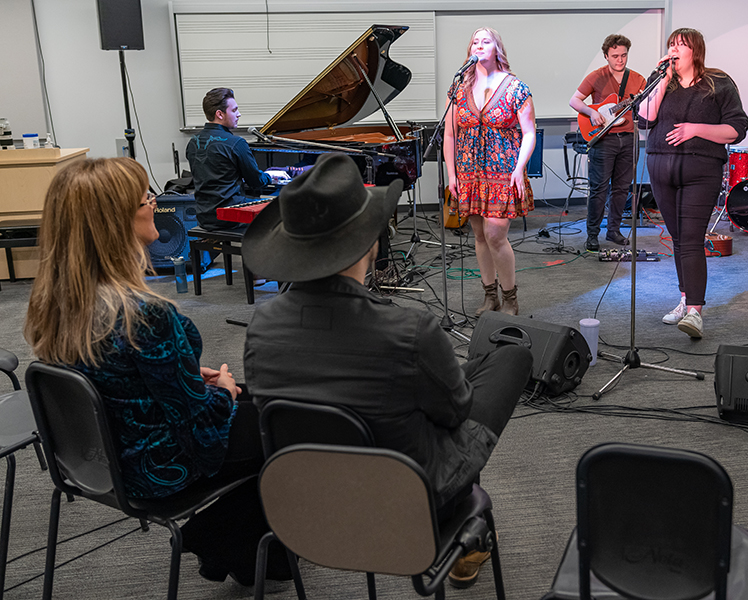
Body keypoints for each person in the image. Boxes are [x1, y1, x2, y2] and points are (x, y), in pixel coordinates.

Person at [241, 152, 534, 589]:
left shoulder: (260, 327)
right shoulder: (408, 329)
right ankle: (465, 537)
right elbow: (456, 414)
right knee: (509, 358)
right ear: (370, 243)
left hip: (304, 508)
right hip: (410, 504)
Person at [22, 157, 289, 585]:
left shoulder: (55, 303)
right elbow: (201, 431)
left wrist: (180, 371)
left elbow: (111, 376)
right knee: (286, 422)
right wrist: (222, 392)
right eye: (146, 197)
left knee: (260, 401)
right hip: (156, 467)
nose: (154, 203)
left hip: (101, 457)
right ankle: (219, 541)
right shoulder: (144, 315)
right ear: (116, 221)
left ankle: (239, 550)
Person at [638, 28, 748, 339]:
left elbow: (736, 129)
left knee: (690, 238)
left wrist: (695, 129)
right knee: (677, 238)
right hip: (661, 167)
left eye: (680, 45)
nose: (674, 50)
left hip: (700, 170)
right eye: (671, 44)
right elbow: (645, 119)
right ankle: (685, 300)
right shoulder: (661, 80)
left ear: (696, 52)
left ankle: (696, 312)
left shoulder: (718, 84)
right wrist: (661, 79)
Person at [444, 27, 536, 316]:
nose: (479, 46)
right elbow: (449, 135)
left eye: (486, 41)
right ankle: (490, 295)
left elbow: (530, 132)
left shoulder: (515, 87)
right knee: (479, 235)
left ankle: (510, 298)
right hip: (469, 172)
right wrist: (451, 174)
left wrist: (520, 169)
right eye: (475, 42)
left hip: (503, 172)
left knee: (495, 235)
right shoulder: (460, 88)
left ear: (497, 49)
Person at [570, 34, 647, 251]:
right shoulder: (596, 76)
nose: (620, 60)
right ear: (606, 56)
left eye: (623, 55)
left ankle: (614, 231)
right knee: (599, 189)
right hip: (604, 139)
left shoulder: (639, 79)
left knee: (622, 188)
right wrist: (590, 113)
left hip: (629, 138)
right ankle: (592, 234)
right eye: (615, 56)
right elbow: (574, 100)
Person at [186, 87, 286, 231]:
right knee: (282, 206)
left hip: (204, 216)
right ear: (219, 114)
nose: (239, 114)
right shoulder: (236, 143)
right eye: (234, 110)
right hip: (231, 216)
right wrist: (271, 176)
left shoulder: (193, 142)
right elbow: (256, 182)